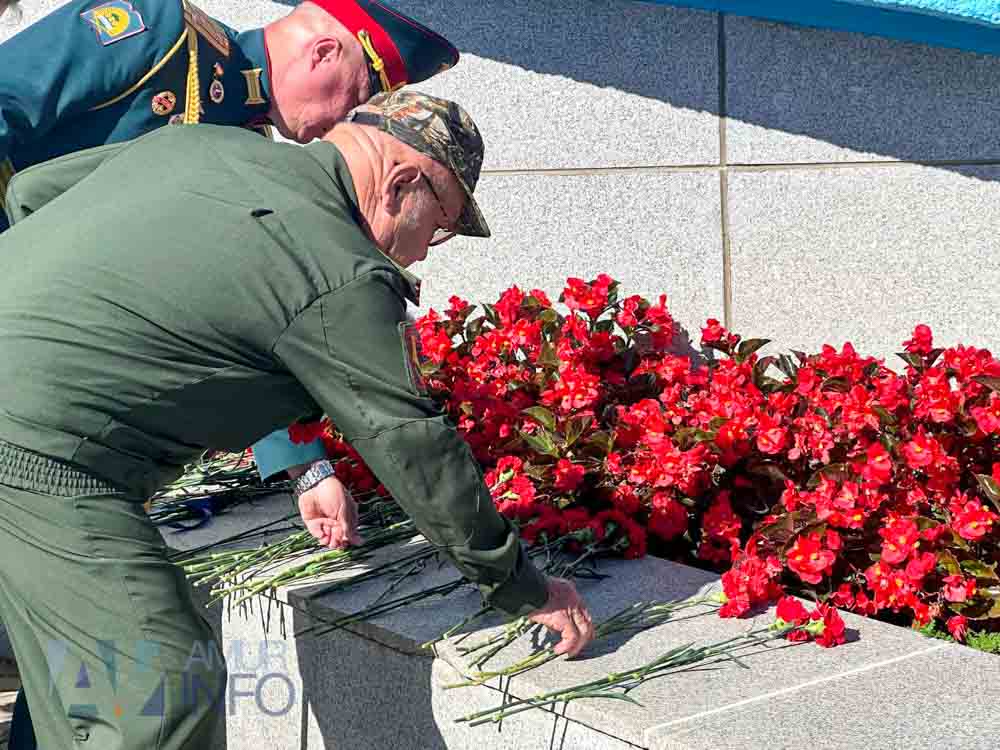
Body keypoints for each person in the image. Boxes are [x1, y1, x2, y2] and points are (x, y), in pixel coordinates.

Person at [0, 90, 596, 750]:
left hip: (31, 445)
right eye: (441, 224)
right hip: (37, 459)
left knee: (79, 688)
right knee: (161, 689)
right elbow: (411, 444)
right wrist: (522, 588)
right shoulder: (336, 270)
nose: (425, 252)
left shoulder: (201, 145)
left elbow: (32, 192)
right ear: (402, 183)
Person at [0, 2, 462, 742]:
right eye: (355, 95)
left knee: (93, 657)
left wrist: (304, 466)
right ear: (321, 54)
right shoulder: (151, 32)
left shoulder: (247, 148)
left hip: (67, 420)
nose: (344, 123)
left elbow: (245, 315)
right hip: (30, 390)